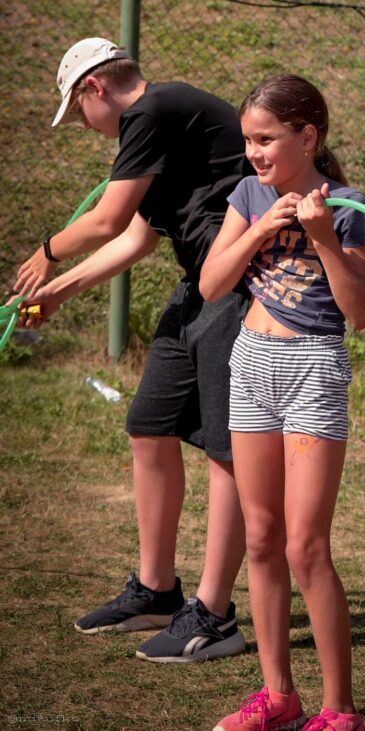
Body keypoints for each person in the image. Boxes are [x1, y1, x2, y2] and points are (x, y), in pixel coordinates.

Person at [14, 36, 250, 664]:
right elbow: (141, 236)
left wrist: (47, 252)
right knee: (151, 425)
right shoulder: (161, 127)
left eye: (79, 113)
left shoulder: (153, 108)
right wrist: (60, 291)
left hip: (241, 286)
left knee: (228, 451)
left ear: (95, 88)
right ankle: (156, 590)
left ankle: (217, 615)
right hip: (199, 286)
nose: (87, 129)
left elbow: (107, 221)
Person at [199, 74, 365, 731]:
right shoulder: (249, 195)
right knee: (263, 536)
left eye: (267, 139)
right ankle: (278, 695)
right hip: (250, 362)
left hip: (312, 369)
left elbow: (360, 313)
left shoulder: (350, 204)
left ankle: (339, 709)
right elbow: (214, 283)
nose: (255, 152)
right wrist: (257, 231)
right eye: (248, 139)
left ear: (308, 136)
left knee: (306, 544)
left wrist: (324, 236)